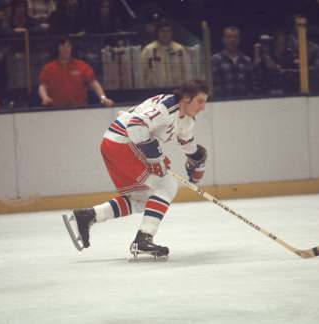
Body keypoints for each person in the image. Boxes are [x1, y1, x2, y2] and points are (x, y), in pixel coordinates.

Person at [63, 79, 209, 258]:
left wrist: (197, 159)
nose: (203, 107)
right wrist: (156, 157)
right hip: (121, 142)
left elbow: (188, 144)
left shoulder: (186, 119)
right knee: (167, 185)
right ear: (186, 98)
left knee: (142, 199)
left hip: (115, 143)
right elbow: (136, 125)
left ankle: (88, 216)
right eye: (200, 101)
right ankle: (143, 239)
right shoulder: (166, 107)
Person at [38, 37, 114, 108]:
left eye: (68, 46)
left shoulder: (82, 65)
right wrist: (45, 97)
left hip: (80, 108)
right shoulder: (48, 68)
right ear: (57, 48)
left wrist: (103, 98)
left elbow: (94, 83)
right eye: (62, 46)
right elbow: (43, 86)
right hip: (56, 109)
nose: (66, 49)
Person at [140, 18, 190, 88]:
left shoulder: (179, 49)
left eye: (168, 31)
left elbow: (187, 72)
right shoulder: (148, 50)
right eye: (162, 31)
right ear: (157, 32)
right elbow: (142, 72)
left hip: (177, 90)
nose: (165, 34)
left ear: (172, 32)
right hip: (154, 91)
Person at [211, 26, 254, 97]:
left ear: (239, 40)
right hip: (221, 103)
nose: (232, 40)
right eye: (229, 37)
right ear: (223, 39)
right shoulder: (215, 60)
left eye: (235, 37)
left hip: (244, 103)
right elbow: (212, 85)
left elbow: (250, 85)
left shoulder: (246, 60)